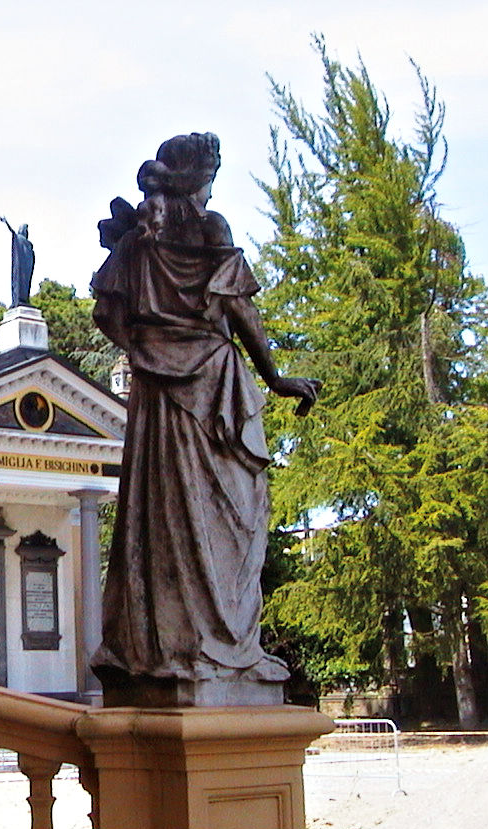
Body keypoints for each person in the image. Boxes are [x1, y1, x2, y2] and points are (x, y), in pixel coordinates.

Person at [90, 132, 319, 699]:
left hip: (161, 397)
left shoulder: (139, 245)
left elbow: (107, 312)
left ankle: (169, 648)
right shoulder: (210, 230)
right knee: (228, 518)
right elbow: (238, 305)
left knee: (165, 517)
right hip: (214, 386)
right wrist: (275, 377)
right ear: (200, 181)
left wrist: (147, 351)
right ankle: (218, 648)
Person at [0, 216, 35, 306]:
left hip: (27, 267)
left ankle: (24, 299)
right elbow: (12, 232)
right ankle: (18, 299)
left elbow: (32, 255)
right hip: (20, 267)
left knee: (26, 284)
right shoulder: (18, 238)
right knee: (19, 282)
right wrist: (6, 222)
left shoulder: (29, 244)